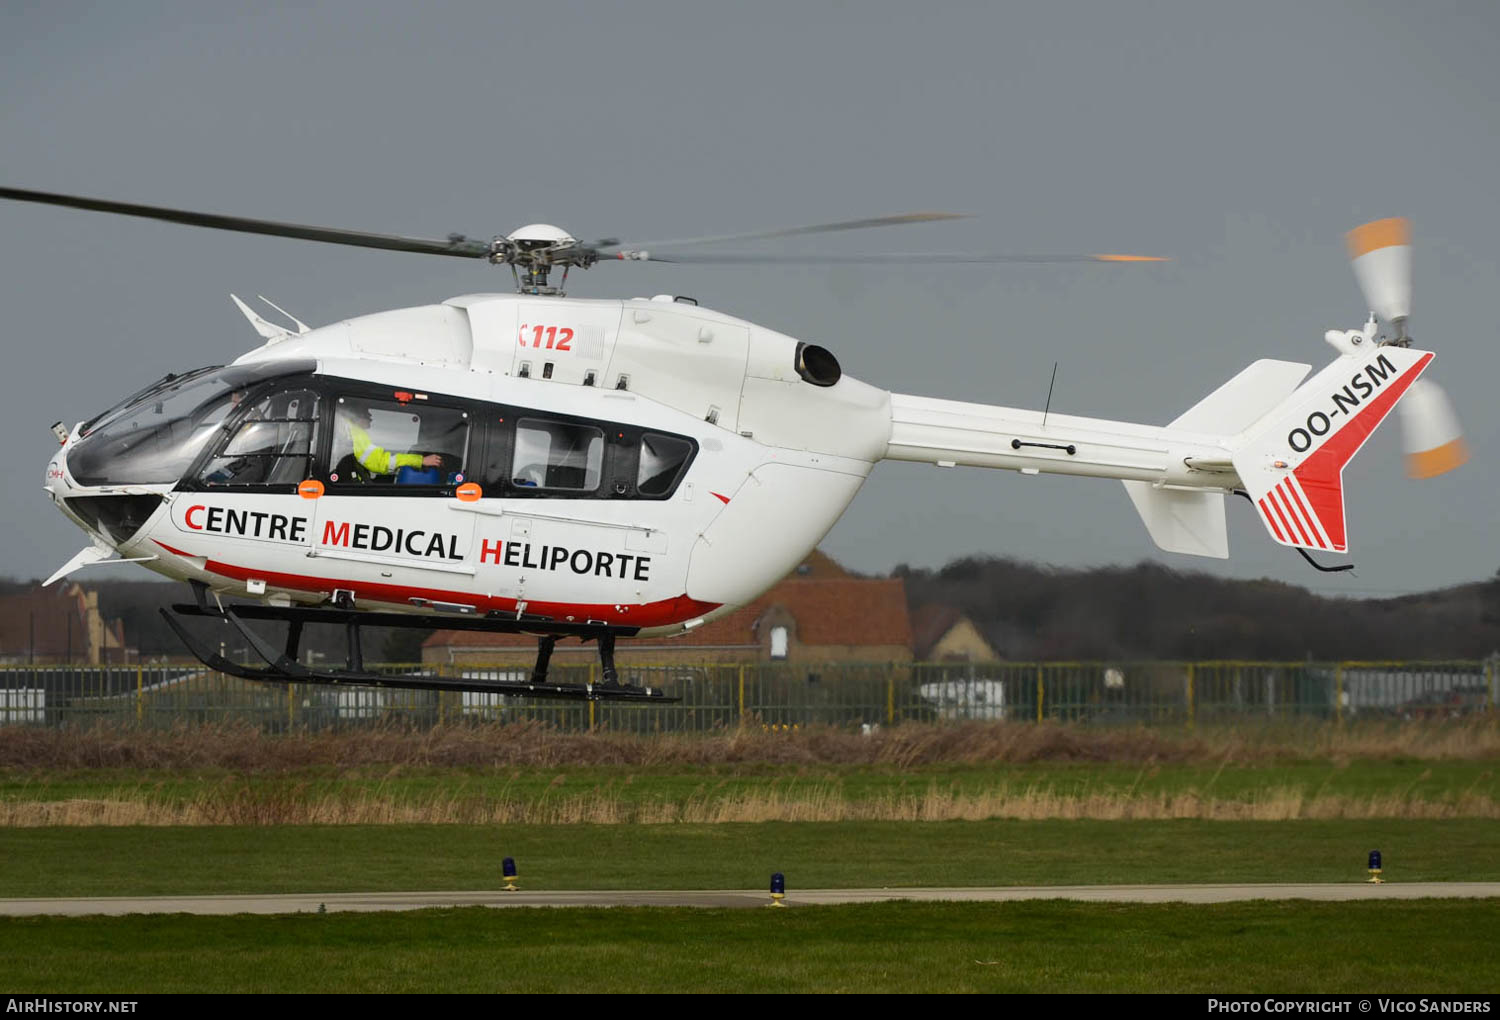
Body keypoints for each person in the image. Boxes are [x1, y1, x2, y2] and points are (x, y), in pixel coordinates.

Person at [337, 401, 443, 479]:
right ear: (356, 414)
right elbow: (381, 463)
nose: (370, 415)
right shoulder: (356, 432)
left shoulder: (347, 429)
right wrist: (421, 460)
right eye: (365, 411)